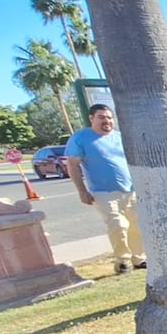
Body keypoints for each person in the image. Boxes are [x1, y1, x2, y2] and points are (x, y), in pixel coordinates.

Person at [65, 104, 145, 274]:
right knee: (117, 225)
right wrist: (82, 190)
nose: (106, 121)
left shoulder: (119, 137)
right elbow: (72, 164)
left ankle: (139, 258)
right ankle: (122, 260)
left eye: (109, 117)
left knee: (136, 225)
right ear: (91, 118)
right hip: (103, 191)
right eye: (101, 117)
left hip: (130, 189)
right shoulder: (80, 138)